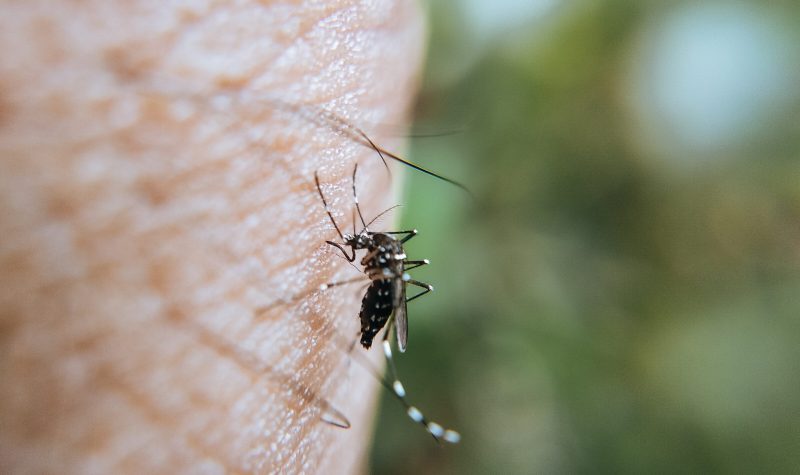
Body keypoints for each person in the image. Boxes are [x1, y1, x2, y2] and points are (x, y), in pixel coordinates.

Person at [0, 1, 424, 472]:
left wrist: (329, 280)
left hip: (383, 292)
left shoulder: (381, 266)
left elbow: (366, 260)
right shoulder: (384, 252)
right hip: (386, 284)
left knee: (374, 288)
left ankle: (362, 339)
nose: (362, 244)